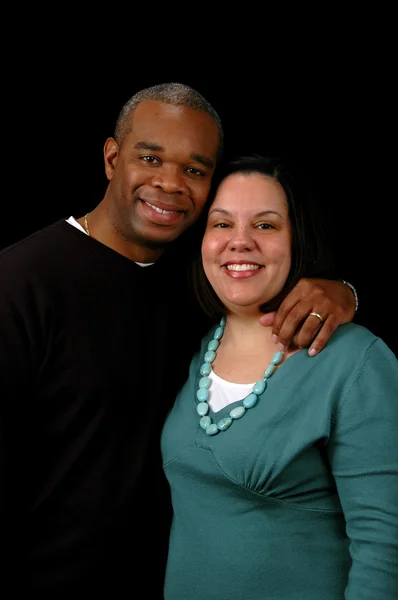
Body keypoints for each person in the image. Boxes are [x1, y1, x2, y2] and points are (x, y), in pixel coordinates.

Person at [0, 83, 358, 596]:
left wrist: (344, 290)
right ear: (111, 157)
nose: (170, 184)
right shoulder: (19, 284)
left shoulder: (205, 280)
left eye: (194, 170)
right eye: (150, 158)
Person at [161, 153, 398, 599]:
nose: (240, 242)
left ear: (297, 239)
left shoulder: (353, 360)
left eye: (266, 225)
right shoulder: (189, 347)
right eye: (222, 224)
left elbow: (386, 547)